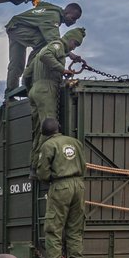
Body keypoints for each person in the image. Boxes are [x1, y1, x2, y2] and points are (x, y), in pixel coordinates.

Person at [24, 27, 86, 169]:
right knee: (49, 130)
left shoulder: (46, 49)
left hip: (35, 90)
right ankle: (43, 166)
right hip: (47, 89)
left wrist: (31, 90)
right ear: (71, 40)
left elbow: (27, 74)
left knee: (38, 130)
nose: (74, 47)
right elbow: (46, 55)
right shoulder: (57, 46)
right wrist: (62, 69)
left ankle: (34, 165)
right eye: (75, 44)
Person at [36, 118, 87, 258]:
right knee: (75, 229)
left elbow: (43, 173)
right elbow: (84, 166)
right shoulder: (75, 142)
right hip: (79, 186)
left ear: (44, 133)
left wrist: (51, 178)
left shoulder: (48, 145)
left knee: (54, 228)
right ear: (58, 128)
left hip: (60, 186)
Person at [5, 0, 82, 98]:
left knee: (16, 64)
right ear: (66, 13)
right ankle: (28, 77)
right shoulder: (53, 17)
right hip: (19, 29)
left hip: (15, 28)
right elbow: (53, 41)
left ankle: (9, 94)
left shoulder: (52, 13)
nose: (73, 22)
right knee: (45, 43)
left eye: (76, 20)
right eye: (73, 18)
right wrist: (70, 54)